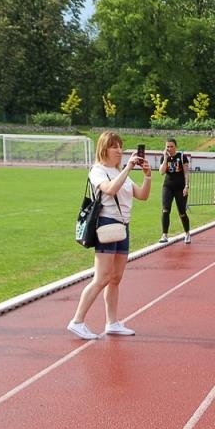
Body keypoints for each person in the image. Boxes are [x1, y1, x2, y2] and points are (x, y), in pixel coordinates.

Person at [68, 132, 151, 340]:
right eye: (115, 147)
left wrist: (148, 176)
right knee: (102, 277)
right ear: (104, 148)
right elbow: (110, 190)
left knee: (115, 279)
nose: (119, 151)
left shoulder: (119, 171)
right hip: (106, 225)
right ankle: (77, 321)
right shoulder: (98, 171)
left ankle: (112, 322)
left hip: (123, 227)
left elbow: (142, 195)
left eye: (121, 147)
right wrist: (129, 168)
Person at [157, 138, 191, 244]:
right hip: (168, 187)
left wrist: (186, 186)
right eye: (167, 146)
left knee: (182, 212)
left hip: (180, 188)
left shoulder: (182, 157)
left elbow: (186, 173)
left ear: (175, 146)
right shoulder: (164, 157)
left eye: (171, 146)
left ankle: (187, 233)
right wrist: (166, 159)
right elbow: (161, 172)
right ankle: (164, 235)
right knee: (165, 210)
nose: (169, 148)